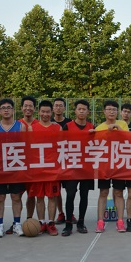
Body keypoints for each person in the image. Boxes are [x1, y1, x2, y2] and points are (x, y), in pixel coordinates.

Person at [0, 99, 26, 237]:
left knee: (16, 196)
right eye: (3, 108)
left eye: (9, 107)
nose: (6, 110)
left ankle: (17, 223)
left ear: (13, 110)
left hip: (16, 166)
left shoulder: (21, 127)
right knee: (0, 197)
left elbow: (26, 146)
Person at [60, 99, 95, 236]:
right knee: (70, 195)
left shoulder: (92, 127)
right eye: (79, 109)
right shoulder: (67, 126)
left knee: (84, 195)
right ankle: (68, 224)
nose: (81, 111)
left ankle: (81, 222)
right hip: (72, 166)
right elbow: (60, 144)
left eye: (84, 109)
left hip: (87, 167)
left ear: (88, 111)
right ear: (75, 111)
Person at [94, 100, 129, 233]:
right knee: (103, 192)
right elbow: (95, 145)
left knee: (118, 192)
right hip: (104, 164)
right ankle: (100, 222)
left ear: (117, 112)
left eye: (114, 110)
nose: (111, 112)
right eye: (109, 109)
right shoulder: (99, 128)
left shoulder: (122, 124)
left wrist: (117, 128)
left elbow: (128, 139)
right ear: (104, 111)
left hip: (119, 163)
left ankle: (120, 221)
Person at [29, 100, 62, 236]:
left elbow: (61, 147)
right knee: (39, 197)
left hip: (52, 168)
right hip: (37, 168)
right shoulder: (32, 128)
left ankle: (51, 223)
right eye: (43, 111)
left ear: (51, 112)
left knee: (52, 197)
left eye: (48, 112)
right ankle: (41, 222)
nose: (45, 114)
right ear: (39, 112)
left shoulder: (57, 128)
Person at [52, 97, 73, 226]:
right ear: (53, 108)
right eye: (56, 105)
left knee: (70, 190)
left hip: (67, 160)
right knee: (56, 190)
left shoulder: (70, 123)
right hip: (53, 161)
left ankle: (70, 213)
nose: (58, 108)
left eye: (61, 105)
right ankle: (61, 213)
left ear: (64, 108)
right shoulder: (48, 122)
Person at [18, 96, 38, 225]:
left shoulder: (40, 124)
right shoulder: (16, 124)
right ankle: (16, 222)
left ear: (35, 108)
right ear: (21, 108)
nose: (28, 108)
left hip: (34, 166)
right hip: (19, 164)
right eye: (25, 106)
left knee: (32, 195)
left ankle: (29, 220)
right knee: (17, 195)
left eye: (30, 106)